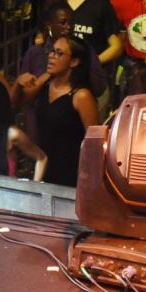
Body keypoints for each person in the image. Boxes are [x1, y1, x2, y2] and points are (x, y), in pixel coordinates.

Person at [14, 35, 99, 187]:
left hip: (72, 173)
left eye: (59, 53)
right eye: (51, 51)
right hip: (44, 166)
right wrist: (18, 83)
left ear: (74, 62)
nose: (51, 56)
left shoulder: (81, 95)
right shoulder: (46, 84)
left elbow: (95, 143)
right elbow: (17, 103)